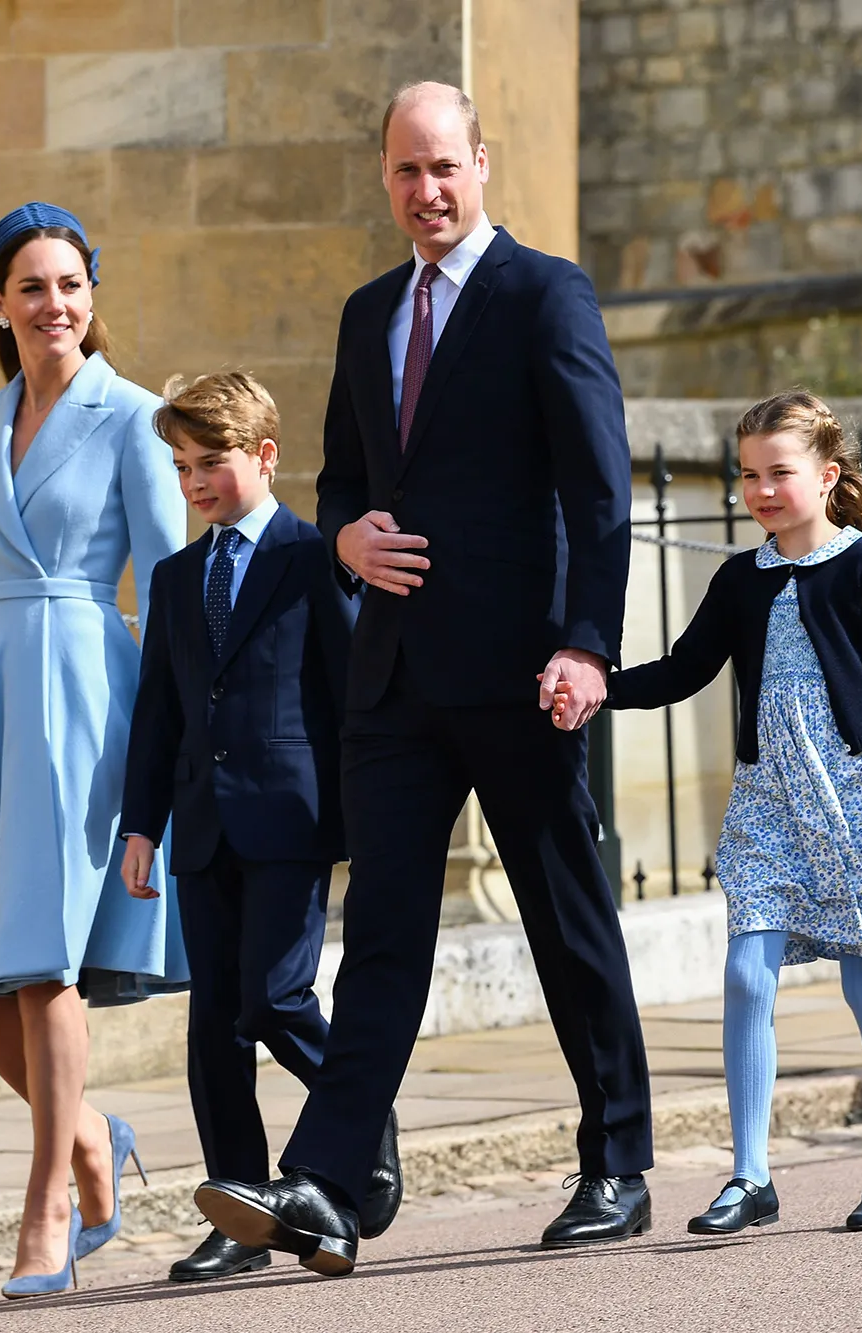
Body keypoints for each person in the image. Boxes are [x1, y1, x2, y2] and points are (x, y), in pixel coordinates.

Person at [192, 82, 655, 1277]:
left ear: (481, 165)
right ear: (385, 180)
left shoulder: (543, 293)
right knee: (383, 937)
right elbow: (343, 483)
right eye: (405, 172)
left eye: (443, 167)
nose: (426, 192)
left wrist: (584, 644)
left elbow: (599, 491)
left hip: (519, 672)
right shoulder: (364, 314)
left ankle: (616, 1161)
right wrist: (342, 541)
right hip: (391, 682)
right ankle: (331, 1186)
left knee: (566, 919)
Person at [0, 202, 188, 1299]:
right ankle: (94, 1139)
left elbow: (165, 589)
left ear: (90, 299)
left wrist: (165, 743)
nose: (54, 304)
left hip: (83, 698)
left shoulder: (134, 418)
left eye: (70, 284)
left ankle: (45, 1206)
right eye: (31, 287)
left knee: (43, 960)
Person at [597, 389, 862, 1235]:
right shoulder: (738, 579)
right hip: (767, 796)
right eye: (748, 474)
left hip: (857, 789)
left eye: (779, 473)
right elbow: (684, 670)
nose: (760, 489)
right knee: (745, 970)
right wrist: (595, 685)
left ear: (828, 476)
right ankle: (751, 1173)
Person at [117, 372, 393, 1283]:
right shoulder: (173, 575)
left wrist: (367, 818)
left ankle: (360, 1116)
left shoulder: (314, 558)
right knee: (212, 1028)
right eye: (183, 466)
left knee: (274, 999)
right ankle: (239, 1208)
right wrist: (140, 824)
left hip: (291, 817)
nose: (196, 481)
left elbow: (351, 690)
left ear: (266, 457)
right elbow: (158, 712)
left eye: (214, 462)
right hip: (199, 825)